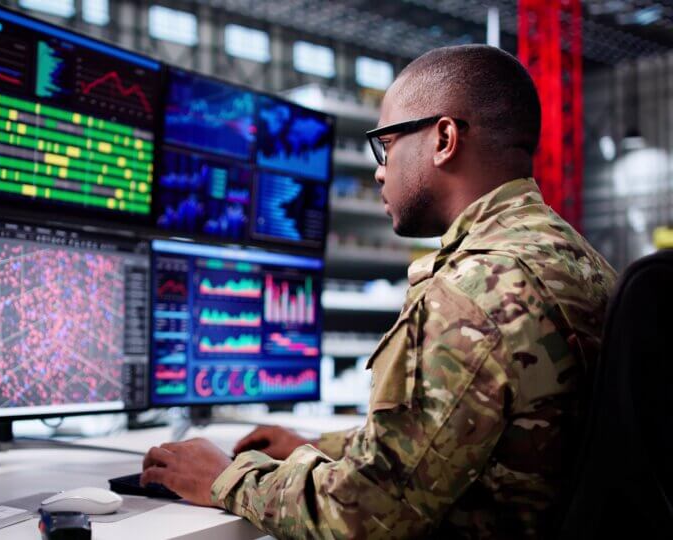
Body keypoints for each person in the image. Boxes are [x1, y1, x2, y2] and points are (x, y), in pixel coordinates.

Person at [140, 44, 617, 538]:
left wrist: (226, 477)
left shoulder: (471, 293)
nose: (379, 170)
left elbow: (363, 515)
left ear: (444, 139)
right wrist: (318, 446)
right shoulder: (579, 259)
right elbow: (465, 436)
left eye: (386, 144)